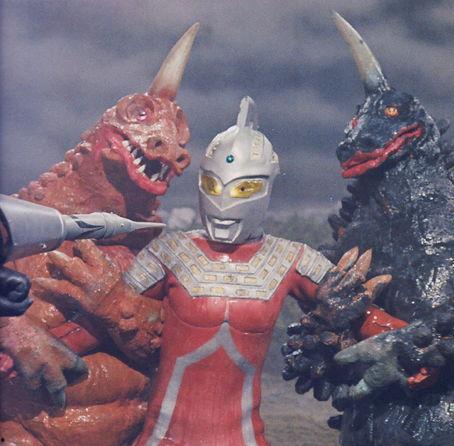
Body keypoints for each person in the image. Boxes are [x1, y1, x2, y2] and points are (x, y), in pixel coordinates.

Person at [40, 97, 402, 446]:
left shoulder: (291, 258)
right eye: (212, 185)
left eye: (243, 188)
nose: (224, 200)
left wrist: (417, 343)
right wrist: (31, 348)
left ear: (265, 186)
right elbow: (101, 321)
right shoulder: (170, 252)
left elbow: (362, 313)